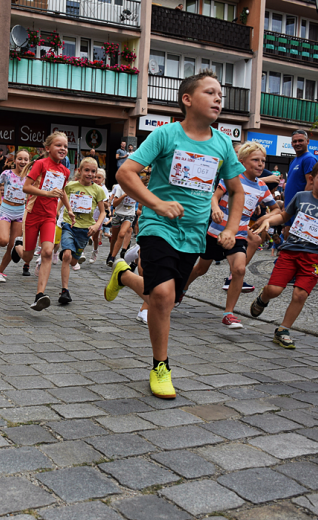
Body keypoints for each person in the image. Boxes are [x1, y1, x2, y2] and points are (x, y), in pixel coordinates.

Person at [103, 70, 245, 399]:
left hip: (194, 234)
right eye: (210, 92)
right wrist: (157, 204)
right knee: (164, 298)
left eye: (220, 94)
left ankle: (123, 275)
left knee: (165, 298)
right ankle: (160, 366)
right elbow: (126, 173)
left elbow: (237, 192)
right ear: (187, 99)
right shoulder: (166, 135)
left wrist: (231, 229)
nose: (218, 98)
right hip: (158, 226)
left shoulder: (223, 143)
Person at [251, 160, 318, 348]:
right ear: (312, 179)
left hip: (313, 258)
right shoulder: (301, 196)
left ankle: (283, 330)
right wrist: (269, 222)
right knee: (274, 290)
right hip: (290, 252)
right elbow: (284, 216)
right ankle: (263, 298)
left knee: (300, 295)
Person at [182, 141, 278, 328]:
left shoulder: (261, 187)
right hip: (216, 233)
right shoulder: (232, 178)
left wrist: (266, 218)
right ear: (241, 161)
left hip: (239, 235)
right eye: (255, 160)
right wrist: (216, 208)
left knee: (239, 269)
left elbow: (275, 209)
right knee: (201, 269)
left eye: (263, 161)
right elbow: (214, 196)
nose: (260, 164)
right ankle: (183, 289)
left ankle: (228, 313)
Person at [10, 131, 74, 311]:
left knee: (47, 252)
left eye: (65, 146)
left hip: (49, 216)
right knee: (28, 256)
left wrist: (68, 209)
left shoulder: (65, 170)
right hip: (32, 214)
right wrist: (46, 193)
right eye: (58, 145)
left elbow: (61, 192)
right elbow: (26, 187)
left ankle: (40, 295)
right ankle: (18, 246)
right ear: (48, 148)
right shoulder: (40, 164)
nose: (63, 149)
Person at [59, 157, 107, 304]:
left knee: (74, 260)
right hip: (69, 224)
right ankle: (65, 291)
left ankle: (72, 255)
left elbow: (103, 212)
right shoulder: (71, 186)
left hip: (85, 230)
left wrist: (97, 225)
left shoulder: (97, 190)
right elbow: (62, 197)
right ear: (79, 171)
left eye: (93, 171)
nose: (90, 174)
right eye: (87, 170)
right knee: (67, 256)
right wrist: (56, 210)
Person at [0, 149, 29, 282]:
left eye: (26, 159)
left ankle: (0, 272)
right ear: (15, 160)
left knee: (12, 245)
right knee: (4, 241)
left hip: (20, 212)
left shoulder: (30, 177)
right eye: (20, 159)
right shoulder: (7, 174)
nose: (23, 162)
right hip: (6, 209)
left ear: (29, 162)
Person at [284, 130, 318, 208]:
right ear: (291, 143)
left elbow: (311, 184)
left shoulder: (309, 159)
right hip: (289, 207)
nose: (297, 143)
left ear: (307, 141)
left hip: (298, 207)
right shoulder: (294, 161)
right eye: (295, 141)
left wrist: (301, 205)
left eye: (300, 141)